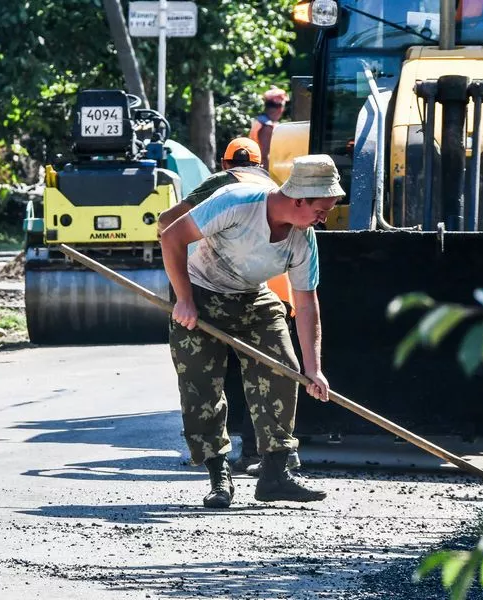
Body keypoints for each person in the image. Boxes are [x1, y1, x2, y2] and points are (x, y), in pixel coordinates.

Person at [160, 154, 344, 509]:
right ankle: (218, 477)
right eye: (322, 208)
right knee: (200, 384)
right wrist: (184, 299)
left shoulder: (303, 239)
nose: (325, 217)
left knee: (282, 369)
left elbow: (306, 304)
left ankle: (275, 474)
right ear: (299, 197)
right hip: (201, 292)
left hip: (253, 298)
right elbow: (171, 236)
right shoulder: (237, 202)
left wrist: (313, 368)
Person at [158, 137, 300, 475]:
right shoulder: (272, 186)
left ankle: (222, 471)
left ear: (225, 164)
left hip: (223, 293)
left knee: (206, 384)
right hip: (271, 293)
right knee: (271, 374)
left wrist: (184, 282)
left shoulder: (223, 183)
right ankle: (263, 455)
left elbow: (166, 223)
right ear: (260, 162)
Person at [249, 86, 288, 171]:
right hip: (261, 171)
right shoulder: (267, 127)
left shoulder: (261, 121)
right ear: (280, 108)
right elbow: (264, 156)